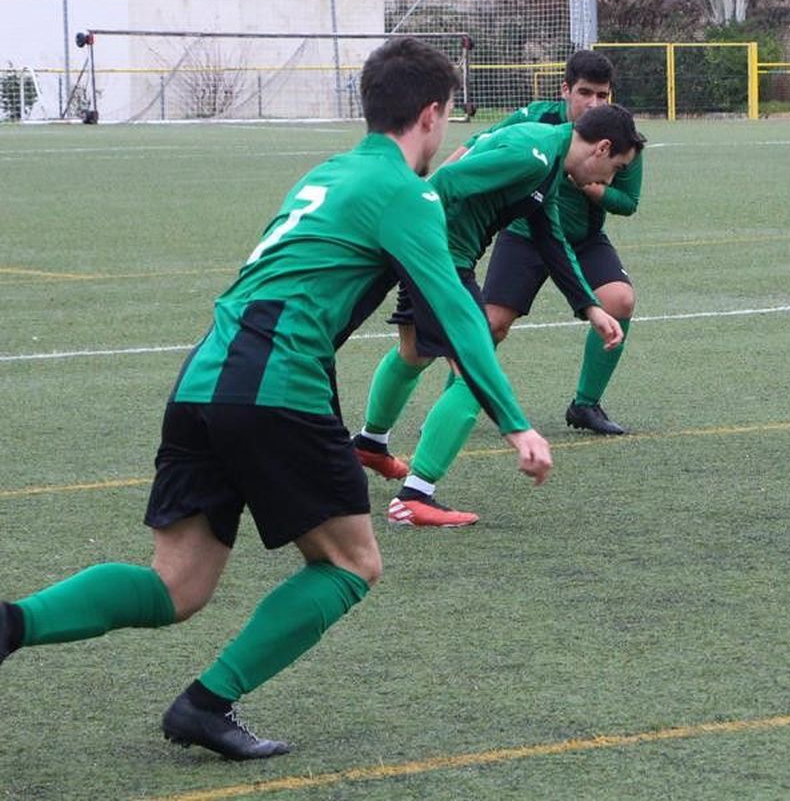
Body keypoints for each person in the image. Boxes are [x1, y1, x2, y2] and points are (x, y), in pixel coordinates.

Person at [0, 37, 551, 758]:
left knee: (177, 585)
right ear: (431, 113)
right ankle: (206, 702)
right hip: (275, 380)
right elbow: (458, 315)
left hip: (205, 373)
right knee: (352, 565)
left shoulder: (327, 174)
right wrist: (515, 425)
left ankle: (11, 624)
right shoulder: (405, 192)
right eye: (448, 115)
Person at [350, 99, 646, 527]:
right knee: (477, 372)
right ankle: (415, 496)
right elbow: (448, 180)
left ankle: (370, 444)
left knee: (414, 350)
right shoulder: (534, 156)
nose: (610, 178)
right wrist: (420, 247)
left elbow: (549, 236)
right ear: (601, 148)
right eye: (616, 167)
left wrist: (589, 307)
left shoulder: (547, 156)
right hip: (442, 261)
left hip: (431, 254)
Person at [477, 50, 643, 436]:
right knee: (493, 325)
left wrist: (594, 190)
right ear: (565, 90)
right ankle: (460, 394)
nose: (594, 103)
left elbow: (629, 203)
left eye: (603, 95)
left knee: (620, 300)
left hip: (583, 239)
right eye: (586, 92)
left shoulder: (620, 136)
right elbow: (479, 143)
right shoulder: (536, 120)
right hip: (524, 235)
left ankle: (585, 405)